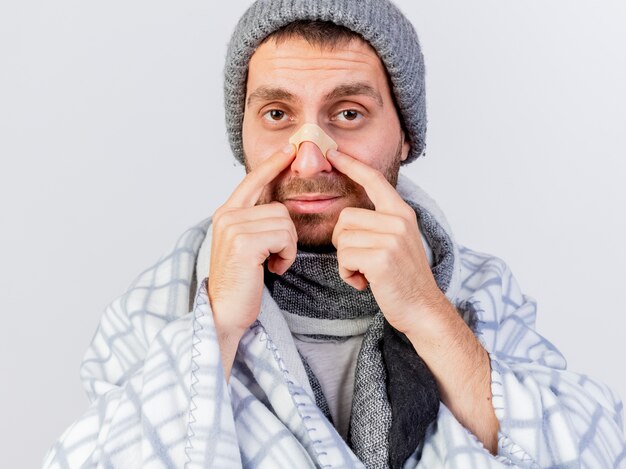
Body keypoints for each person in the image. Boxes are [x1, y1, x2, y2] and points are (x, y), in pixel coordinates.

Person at [42, 1, 626, 468]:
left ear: (405, 137)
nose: (310, 157)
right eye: (277, 115)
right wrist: (217, 324)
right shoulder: (156, 308)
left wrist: (426, 311)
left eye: (348, 113)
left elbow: (594, 450)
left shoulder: (481, 292)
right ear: (242, 133)